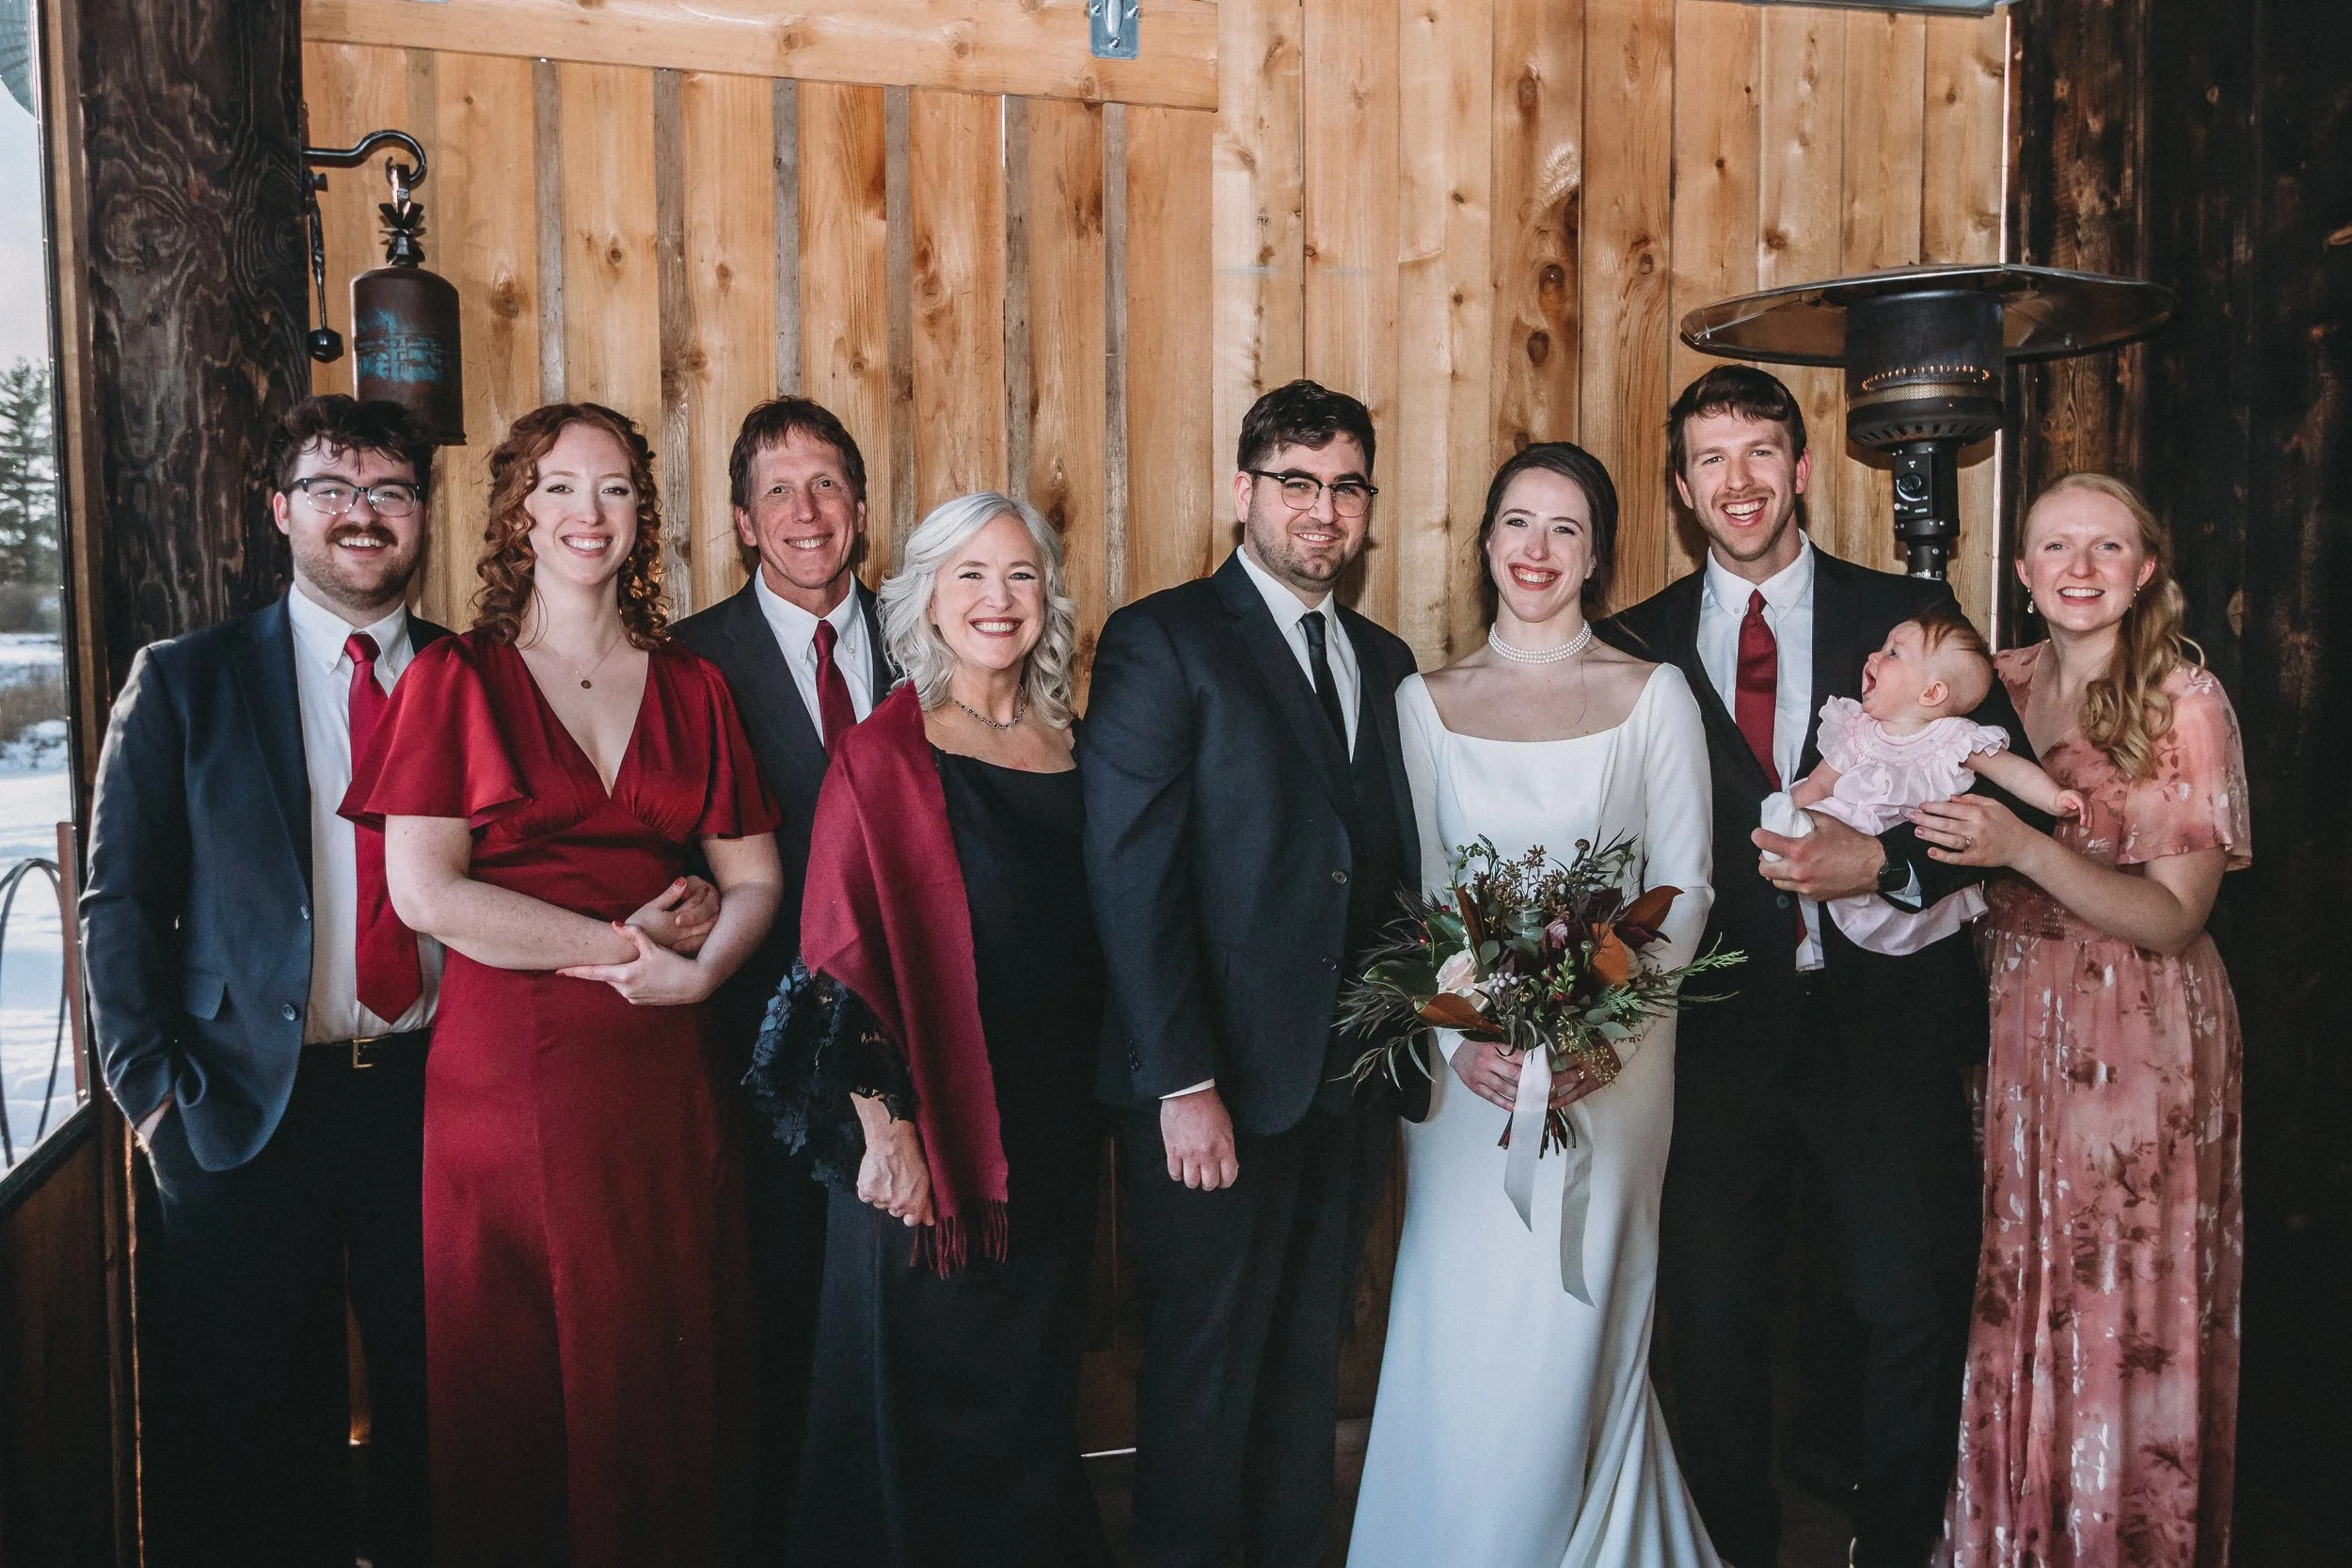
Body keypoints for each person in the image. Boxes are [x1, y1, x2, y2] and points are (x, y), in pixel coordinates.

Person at [1601, 365, 2042, 1568]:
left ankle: (1892, 1546)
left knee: (1908, 1304)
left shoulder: (1909, 613)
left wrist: (1885, 865)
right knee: (1716, 1318)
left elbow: (2013, 818)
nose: (1736, 481)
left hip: (1882, 1026)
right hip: (1712, 1032)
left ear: (1800, 468)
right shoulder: (1629, 643)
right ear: (1684, 489)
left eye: (1758, 452)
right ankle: (1732, 1547)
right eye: (1709, 459)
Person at [344, 402, 784, 1567]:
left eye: (616, 490)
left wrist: (695, 978)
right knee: (526, 1374)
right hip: (509, 1070)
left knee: (660, 1350)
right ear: (517, 515)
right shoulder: (456, 677)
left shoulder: (692, 685)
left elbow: (754, 877)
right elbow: (428, 893)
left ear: (642, 517)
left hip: (661, 1062)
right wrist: (614, 944)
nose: (589, 514)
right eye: (559, 489)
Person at [81, 395, 445, 1567]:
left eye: (388, 489)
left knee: (440, 1399)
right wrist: (151, 1098)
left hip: (435, 1097)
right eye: (332, 488)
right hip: (240, 1104)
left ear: (421, 516)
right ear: (281, 509)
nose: (362, 513)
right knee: (257, 1425)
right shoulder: (185, 681)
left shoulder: (471, 678)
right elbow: (117, 903)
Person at [1348, 442, 1723, 1567]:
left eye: (1565, 528)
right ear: (1483, 543)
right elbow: (1411, 896)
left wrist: (1599, 1030)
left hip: (1615, 1063)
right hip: (1470, 1080)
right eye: (1518, 522)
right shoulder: (1424, 700)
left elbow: (1683, 886)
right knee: (1463, 1324)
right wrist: (1464, 1039)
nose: (1537, 549)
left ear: (1597, 552)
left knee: (1574, 1324)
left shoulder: (1651, 693)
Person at [1082, 378, 1426, 1568]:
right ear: (1244, 492)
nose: (1320, 511)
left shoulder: (1384, 660)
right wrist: (1181, 1080)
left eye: (1343, 488)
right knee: (1202, 1374)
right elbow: (1131, 877)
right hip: (1211, 1088)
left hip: (1340, 1089)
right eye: (1295, 483)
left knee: (1302, 1375)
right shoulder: (1162, 637)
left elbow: (1387, 874)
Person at [747, 492, 1109, 1566]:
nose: (997, 599)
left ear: (1047, 597)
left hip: (1054, 1123)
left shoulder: (1079, 747)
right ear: (928, 600)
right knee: (925, 1387)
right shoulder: (884, 755)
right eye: (970, 575)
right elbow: (835, 958)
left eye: (1019, 575)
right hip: (927, 1130)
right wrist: (886, 1130)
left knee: (1032, 1390)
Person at [1914, 475, 2247, 1568]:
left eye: (2107, 546)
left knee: (2110, 1295)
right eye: (2055, 547)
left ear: (2146, 568)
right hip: (2008, 1019)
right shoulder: (1996, 682)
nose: (2080, 567)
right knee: (2013, 1282)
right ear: (2020, 571)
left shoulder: (2180, 703)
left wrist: (2023, 850)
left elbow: (2172, 914)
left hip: (2136, 1029)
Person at [672, 395, 892, 1537]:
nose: (806, 512)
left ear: (858, 506)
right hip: (757, 1052)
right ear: (745, 523)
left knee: (908, 1312)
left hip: (914, 1036)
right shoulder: (689, 661)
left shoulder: (931, 629)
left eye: (827, 486)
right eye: (778, 492)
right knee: (777, 1313)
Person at [1762, 606, 2083, 956]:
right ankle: (1809, 941)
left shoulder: (1951, 738)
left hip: (1893, 868)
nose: (1874, 655)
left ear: (1932, 694)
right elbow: (1820, 784)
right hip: (1832, 844)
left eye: (1893, 653)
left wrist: (2053, 798)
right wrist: (1790, 815)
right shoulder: (1857, 731)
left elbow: (2011, 771)